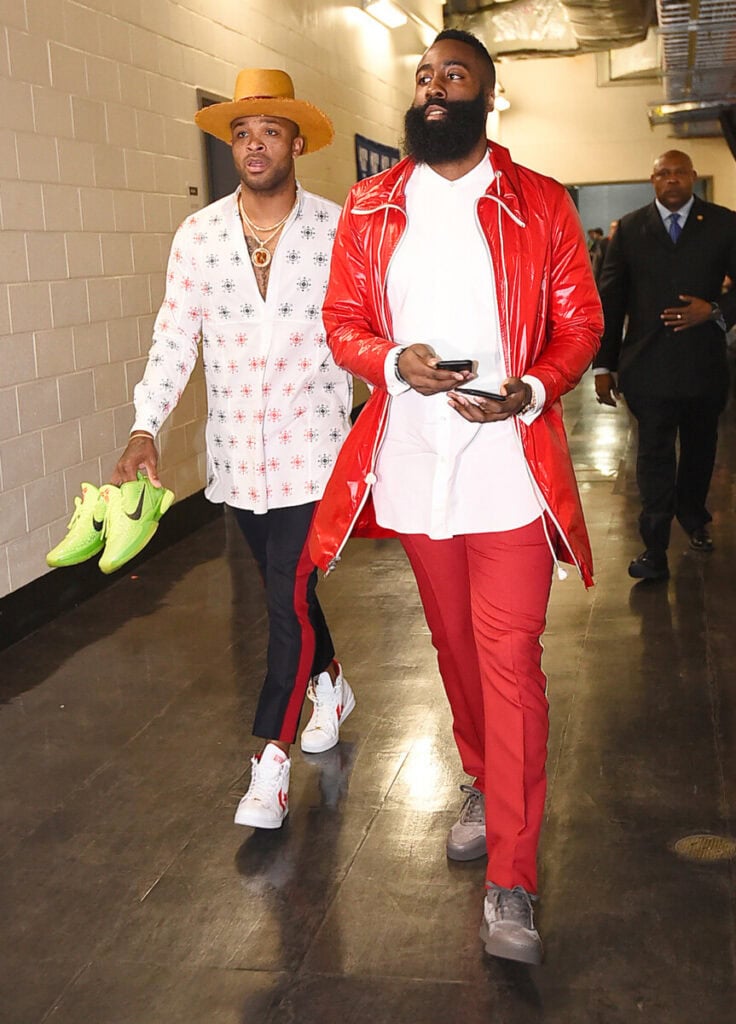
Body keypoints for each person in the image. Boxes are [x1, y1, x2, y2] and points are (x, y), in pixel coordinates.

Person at [308, 29, 602, 964]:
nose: (434, 89)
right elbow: (342, 322)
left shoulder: (541, 204)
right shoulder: (370, 206)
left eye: (454, 77)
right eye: (425, 77)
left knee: (510, 658)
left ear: (487, 94)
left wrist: (534, 388)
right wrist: (397, 363)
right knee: (456, 650)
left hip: (507, 468)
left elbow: (580, 322)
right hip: (413, 467)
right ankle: (479, 774)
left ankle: (513, 879)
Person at [113, 68, 355, 830]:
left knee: (283, 595)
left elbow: (365, 331)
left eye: (269, 132)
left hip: (315, 450)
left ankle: (269, 764)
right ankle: (334, 683)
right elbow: (174, 338)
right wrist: (145, 424)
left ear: (296, 143)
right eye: (241, 134)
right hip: (239, 462)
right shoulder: (200, 236)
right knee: (291, 591)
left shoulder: (337, 229)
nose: (254, 145)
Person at [593, 150, 736, 581]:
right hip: (648, 365)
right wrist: (604, 366)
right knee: (653, 455)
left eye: (679, 173)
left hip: (703, 365)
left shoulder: (724, 223)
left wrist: (712, 309)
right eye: (663, 174)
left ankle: (695, 519)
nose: (671, 180)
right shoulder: (631, 229)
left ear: (692, 177)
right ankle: (654, 547)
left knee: (699, 450)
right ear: (652, 180)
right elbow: (612, 299)